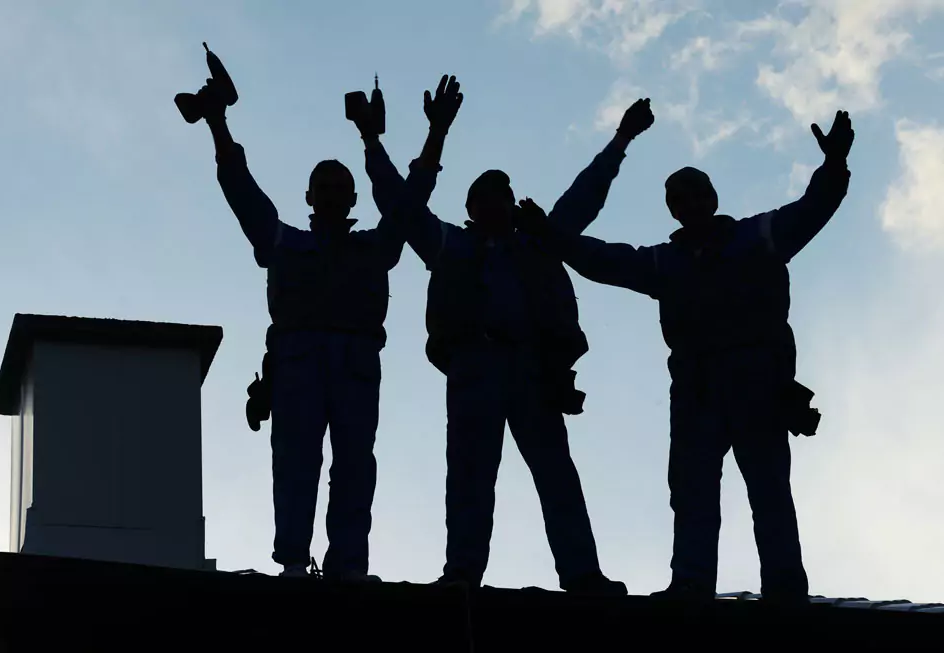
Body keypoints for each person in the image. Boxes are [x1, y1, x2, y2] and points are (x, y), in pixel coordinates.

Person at [515, 110, 855, 604]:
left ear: (712, 199)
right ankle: (691, 583)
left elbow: (815, 206)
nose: (691, 203)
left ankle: (783, 587)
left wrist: (835, 164)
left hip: (757, 379)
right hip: (696, 389)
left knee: (768, 489)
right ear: (673, 209)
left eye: (698, 193)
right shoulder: (664, 262)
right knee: (693, 492)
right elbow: (603, 260)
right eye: (681, 198)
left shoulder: (758, 236)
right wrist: (552, 236)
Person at [354, 74, 655, 592]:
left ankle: (582, 573)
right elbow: (399, 204)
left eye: (506, 195)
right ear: (470, 209)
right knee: (470, 475)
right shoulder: (449, 244)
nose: (499, 203)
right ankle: (463, 572)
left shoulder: (537, 243)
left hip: (535, 367)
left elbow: (584, 198)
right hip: (475, 365)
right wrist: (387, 139)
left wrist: (621, 140)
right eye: (487, 196)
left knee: (556, 473)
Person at [195, 73, 407, 583]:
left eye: (341, 188)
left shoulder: (374, 249)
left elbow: (405, 207)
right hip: (297, 364)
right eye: (325, 188)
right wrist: (218, 124)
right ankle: (293, 558)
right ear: (309, 196)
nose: (333, 196)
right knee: (295, 465)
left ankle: (349, 563)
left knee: (355, 465)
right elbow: (240, 190)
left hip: (355, 363)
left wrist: (373, 140)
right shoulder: (283, 243)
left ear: (353, 199)